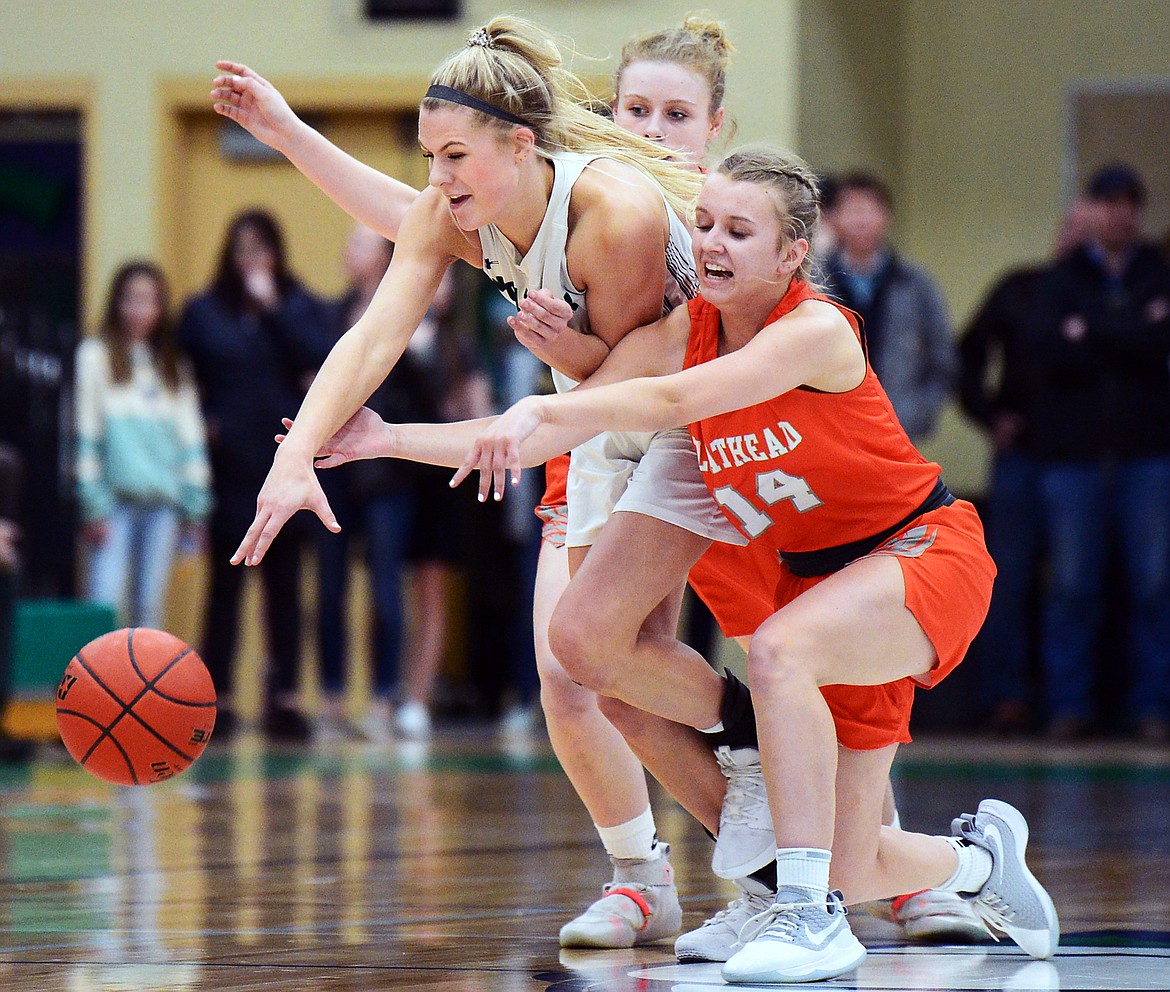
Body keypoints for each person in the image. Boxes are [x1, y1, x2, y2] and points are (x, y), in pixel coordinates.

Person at [331, 147, 1058, 982]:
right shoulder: (685, 330)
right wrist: (391, 441)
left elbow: (673, 402)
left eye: (739, 232)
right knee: (853, 864)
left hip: (920, 553)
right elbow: (561, 427)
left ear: (791, 254)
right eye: (705, 223)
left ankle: (803, 916)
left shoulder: (815, 329)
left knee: (781, 650)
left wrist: (544, 398)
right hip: (827, 586)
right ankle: (980, 865)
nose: (710, 243)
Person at [220, 15, 749, 950]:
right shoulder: (466, 198)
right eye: (430, 157)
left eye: (451, 156)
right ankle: (665, 875)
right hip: (605, 426)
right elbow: (374, 331)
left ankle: (820, 840)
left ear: (519, 141)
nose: (437, 178)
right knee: (581, 671)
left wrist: (489, 426)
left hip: (704, 423)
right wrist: (294, 454)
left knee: (729, 660)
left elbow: (618, 388)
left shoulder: (617, 215)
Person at [178, 210, 330, 742]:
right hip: (227, 474)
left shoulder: (298, 306)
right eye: (242, 248)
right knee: (224, 590)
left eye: (262, 247)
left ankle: (283, 699)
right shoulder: (203, 313)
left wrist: (273, 307)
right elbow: (182, 377)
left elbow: (323, 360)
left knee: (286, 591)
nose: (252, 259)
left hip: (285, 469)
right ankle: (214, 698)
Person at [1031, 164, 1170, 741]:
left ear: (1139, 212)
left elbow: (1155, 347)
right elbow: (1050, 354)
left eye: (1128, 203)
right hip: (1074, 458)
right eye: (1107, 202)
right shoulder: (1059, 278)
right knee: (1070, 587)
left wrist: (1091, 333)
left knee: (1154, 586)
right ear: (1091, 210)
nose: (1118, 214)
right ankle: (1069, 706)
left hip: (1146, 454)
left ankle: (1152, 709)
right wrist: (1131, 334)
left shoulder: (1159, 274)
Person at [957, 200, 1093, 735]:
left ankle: (1069, 703)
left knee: (1074, 585)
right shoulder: (1022, 289)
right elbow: (968, 352)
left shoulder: (1108, 303)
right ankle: (1006, 698)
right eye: (1075, 231)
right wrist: (989, 413)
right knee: (1004, 579)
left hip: (1084, 463)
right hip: (1021, 455)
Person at [75, 262, 211, 630]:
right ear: (117, 303)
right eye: (132, 299)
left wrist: (195, 509)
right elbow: (86, 434)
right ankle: (97, 689)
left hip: (164, 505)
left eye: (150, 300)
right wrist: (93, 504)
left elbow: (191, 438)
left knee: (149, 610)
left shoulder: (173, 365)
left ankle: (143, 690)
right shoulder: (95, 356)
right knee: (105, 602)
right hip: (113, 503)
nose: (140, 309)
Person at [820, 172, 955, 443]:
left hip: (897, 425)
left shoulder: (915, 284)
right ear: (833, 218)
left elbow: (941, 356)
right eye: (852, 210)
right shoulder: (814, 281)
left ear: (887, 217)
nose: (862, 220)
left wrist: (919, 413)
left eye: (871, 210)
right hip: (827, 426)